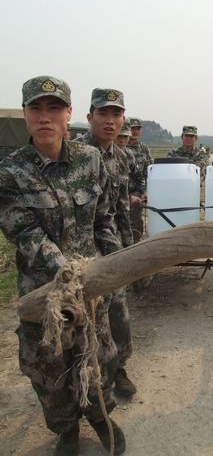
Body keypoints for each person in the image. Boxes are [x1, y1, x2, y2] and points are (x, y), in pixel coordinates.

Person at [0, 76, 126, 455]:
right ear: (24, 114)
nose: (45, 117)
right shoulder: (10, 173)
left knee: (97, 353)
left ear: (69, 113)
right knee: (49, 364)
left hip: (93, 285)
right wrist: (69, 276)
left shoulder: (90, 161)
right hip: (42, 292)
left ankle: (101, 417)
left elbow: (105, 219)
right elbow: (25, 233)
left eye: (54, 108)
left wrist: (114, 266)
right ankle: (65, 428)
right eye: (36, 108)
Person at [75, 89, 136, 397]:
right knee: (86, 318)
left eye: (116, 114)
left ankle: (119, 368)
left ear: (123, 119)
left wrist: (129, 247)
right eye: (103, 114)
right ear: (90, 118)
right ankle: (90, 377)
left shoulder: (122, 157)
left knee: (118, 309)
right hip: (81, 250)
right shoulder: (73, 154)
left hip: (112, 243)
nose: (110, 121)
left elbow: (122, 207)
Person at [128, 117, 152, 192]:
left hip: (141, 191)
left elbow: (149, 170)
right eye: (133, 128)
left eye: (138, 129)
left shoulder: (144, 148)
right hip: (125, 191)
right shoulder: (121, 146)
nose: (135, 131)